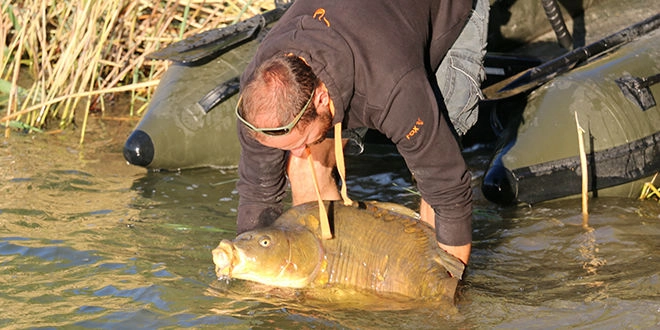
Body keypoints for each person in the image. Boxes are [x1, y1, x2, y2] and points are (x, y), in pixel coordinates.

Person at [234, 0, 488, 268]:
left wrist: (445, 288)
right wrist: (250, 262)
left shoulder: (391, 90)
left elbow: (448, 190)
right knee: (303, 166)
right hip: (361, 30)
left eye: (298, 142)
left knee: (433, 170)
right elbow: (258, 191)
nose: (294, 151)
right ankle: (328, 278)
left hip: (443, 16)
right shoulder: (259, 88)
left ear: (321, 98)